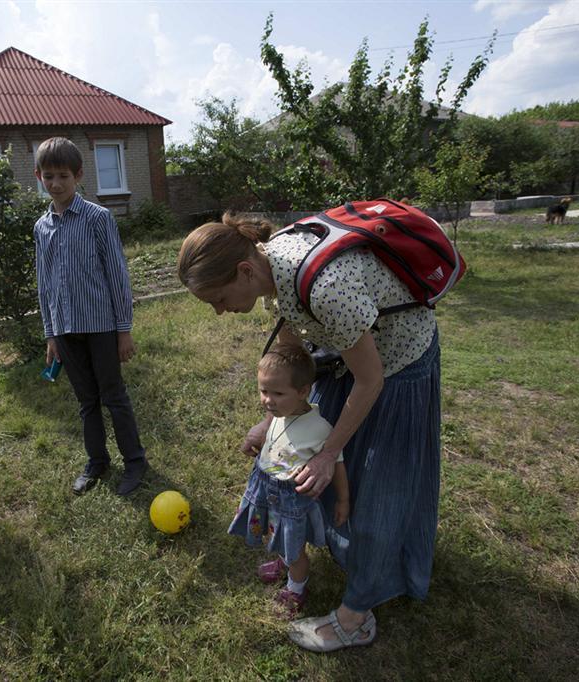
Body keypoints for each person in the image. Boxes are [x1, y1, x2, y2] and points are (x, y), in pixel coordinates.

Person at [178, 211, 441, 652]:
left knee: (377, 485)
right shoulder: (270, 267)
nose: (220, 312)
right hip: (349, 360)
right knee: (344, 471)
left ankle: (356, 617)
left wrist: (327, 452)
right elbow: (291, 340)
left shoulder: (325, 288)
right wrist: (270, 419)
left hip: (398, 365)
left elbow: (371, 380)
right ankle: (346, 557)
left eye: (218, 300)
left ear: (245, 270)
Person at [33, 137, 148, 497]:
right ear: (38, 176)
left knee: (113, 396)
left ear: (78, 175)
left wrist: (123, 330)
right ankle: (97, 461)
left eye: (62, 176)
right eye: (48, 176)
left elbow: (117, 273)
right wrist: (51, 335)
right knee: (86, 402)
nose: (55, 184)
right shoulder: (42, 227)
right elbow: (45, 283)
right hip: (66, 330)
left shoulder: (99, 218)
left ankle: (135, 461)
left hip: (101, 326)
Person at [228, 344, 349, 617]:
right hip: (267, 491)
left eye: (277, 393)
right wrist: (256, 441)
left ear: (303, 391)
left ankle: (296, 587)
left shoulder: (320, 427)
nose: (268, 401)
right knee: (276, 536)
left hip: (292, 502)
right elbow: (275, 442)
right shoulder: (280, 414)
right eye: (263, 391)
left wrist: (343, 499)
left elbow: (337, 464)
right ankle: (283, 562)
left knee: (295, 550)